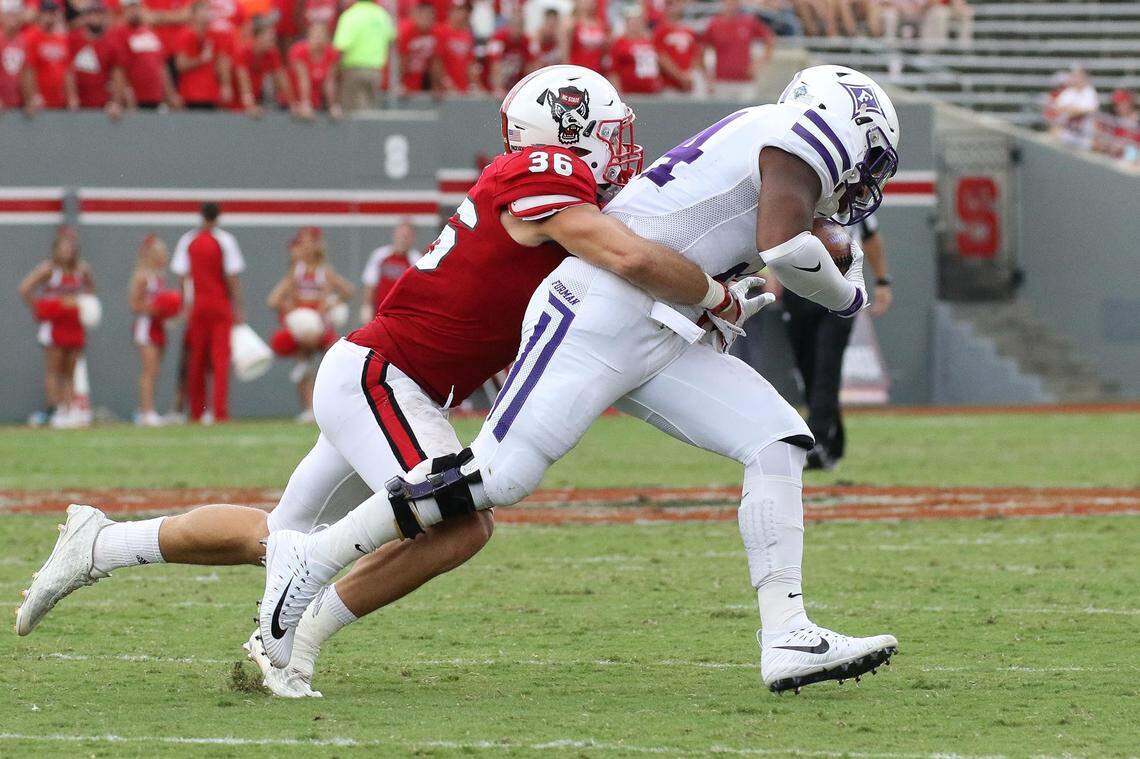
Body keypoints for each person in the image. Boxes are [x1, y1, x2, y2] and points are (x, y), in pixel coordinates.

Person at [17, 66, 751, 700]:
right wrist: (712, 297)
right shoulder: (544, 173)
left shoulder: (552, 189)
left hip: (383, 375)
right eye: (608, 129)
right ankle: (297, 640)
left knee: (279, 535)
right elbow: (626, 255)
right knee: (459, 522)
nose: (623, 146)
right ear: (565, 130)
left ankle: (100, 544)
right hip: (386, 377)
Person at [256, 65, 901, 695]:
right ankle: (313, 560)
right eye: (871, 154)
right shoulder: (792, 132)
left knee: (776, 436)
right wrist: (848, 297)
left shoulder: (772, 147)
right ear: (843, 121)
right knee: (501, 475)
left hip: (655, 323)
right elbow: (787, 252)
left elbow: (755, 236)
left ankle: (786, 631)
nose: (866, 174)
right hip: (599, 308)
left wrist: (771, 277)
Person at [776, 214, 892, 470]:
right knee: (808, 369)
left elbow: (871, 237)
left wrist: (883, 280)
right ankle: (833, 441)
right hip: (800, 288)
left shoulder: (856, 198)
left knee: (827, 367)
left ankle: (817, 442)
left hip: (842, 288)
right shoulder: (800, 192)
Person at [267, 227, 354, 422]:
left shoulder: (325, 272)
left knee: (333, 365)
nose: (305, 247)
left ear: (317, 245)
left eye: (309, 242)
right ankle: (308, 409)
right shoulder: (296, 271)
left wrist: (333, 301)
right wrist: (289, 308)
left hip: (321, 327)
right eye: (302, 242)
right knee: (303, 359)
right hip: (304, 329)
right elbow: (273, 299)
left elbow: (348, 291)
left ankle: (333, 407)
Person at [171, 202, 245, 423]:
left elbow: (182, 276)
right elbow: (231, 277)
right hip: (220, 304)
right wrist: (238, 307)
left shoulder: (188, 240)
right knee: (220, 359)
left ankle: (197, 411)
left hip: (198, 306)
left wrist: (185, 304)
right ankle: (219, 412)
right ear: (218, 217)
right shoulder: (225, 241)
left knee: (197, 360)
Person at [19, 227, 96, 429]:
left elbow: (91, 291)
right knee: (55, 369)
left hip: (74, 324)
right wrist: (42, 308)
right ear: (56, 249)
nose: (68, 250)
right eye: (64, 247)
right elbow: (25, 288)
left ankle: (69, 409)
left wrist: (85, 306)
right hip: (55, 325)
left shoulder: (82, 270)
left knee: (71, 369)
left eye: (71, 246)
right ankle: (55, 408)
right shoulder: (49, 269)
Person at [129, 235, 179, 427]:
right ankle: (146, 412)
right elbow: (134, 304)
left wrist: (170, 313)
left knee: (156, 371)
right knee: (148, 370)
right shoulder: (142, 276)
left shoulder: (160, 277)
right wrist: (156, 309)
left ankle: (148, 409)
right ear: (150, 255)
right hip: (145, 326)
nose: (163, 257)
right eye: (159, 253)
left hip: (158, 326)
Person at [108, 0, 181, 110]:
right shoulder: (119, 34)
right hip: (134, 100)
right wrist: (118, 100)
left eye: (136, 7)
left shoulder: (151, 33)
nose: (134, 11)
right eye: (130, 8)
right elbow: (119, 69)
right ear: (124, 10)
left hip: (156, 97)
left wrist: (171, 94)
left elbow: (162, 66)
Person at [702, 0, 774, 102]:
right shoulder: (714, 24)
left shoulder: (749, 22)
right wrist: (707, 77)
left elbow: (770, 39)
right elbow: (702, 51)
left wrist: (758, 63)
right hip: (722, 81)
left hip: (745, 81)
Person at [332, 0, 395, 111]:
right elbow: (391, 40)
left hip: (353, 70)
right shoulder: (382, 14)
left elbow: (341, 46)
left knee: (351, 112)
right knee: (371, 112)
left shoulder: (350, 15)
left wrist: (336, 71)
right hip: (376, 71)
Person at [173, 0, 231, 109]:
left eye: (209, 9)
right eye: (204, 9)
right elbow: (180, 65)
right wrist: (201, 59)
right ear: (194, 14)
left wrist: (225, 85)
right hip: (191, 94)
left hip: (211, 93)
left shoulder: (213, 35)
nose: (208, 13)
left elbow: (221, 60)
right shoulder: (185, 35)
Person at [20, 0, 74, 114]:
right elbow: (28, 70)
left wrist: (71, 97)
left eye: (53, 13)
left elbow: (67, 71)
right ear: (40, 14)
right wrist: (31, 97)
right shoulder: (31, 37)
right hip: (40, 101)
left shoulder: (63, 39)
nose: (50, 16)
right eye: (47, 13)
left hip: (59, 102)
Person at [67, 1, 120, 115]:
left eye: (99, 13)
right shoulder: (73, 40)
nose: (95, 17)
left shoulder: (111, 43)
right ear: (84, 17)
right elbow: (68, 72)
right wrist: (72, 97)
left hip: (102, 105)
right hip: (78, 106)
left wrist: (115, 102)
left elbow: (116, 74)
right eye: (91, 13)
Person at [360, 220, 420, 318]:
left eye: (407, 236)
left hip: (403, 315)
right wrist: (366, 305)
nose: (403, 239)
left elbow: (418, 291)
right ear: (395, 234)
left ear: (413, 238)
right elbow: (370, 282)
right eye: (401, 234)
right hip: (379, 313)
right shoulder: (380, 255)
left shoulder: (416, 260)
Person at [288, 20, 341, 117]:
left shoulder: (332, 53)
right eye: (316, 35)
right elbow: (303, 78)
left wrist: (332, 105)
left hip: (316, 101)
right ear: (309, 36)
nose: (319, 39)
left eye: (322, 36)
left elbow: (329, 81)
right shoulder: (299, 51)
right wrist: (305, 103)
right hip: (295, 100)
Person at [653, 0, 701, 95]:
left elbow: (696, 55)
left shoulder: (688, 30)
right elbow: (661, 57)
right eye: (671, 4)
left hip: (688, 84)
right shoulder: (661, 30)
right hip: (669, 85)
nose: (675, 7)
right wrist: (680, 76)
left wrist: (689, 73)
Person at [608, 9, 660, 95]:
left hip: (651, 91)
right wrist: (618, 93)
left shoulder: (650, 41)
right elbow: (613, 70)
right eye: (633, 23)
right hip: (629, 92)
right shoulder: (619, 43)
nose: (635, 26)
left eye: (638, 23)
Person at [396, 1, 440, 96]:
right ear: (417, 15)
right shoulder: (407, 32)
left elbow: (434, 63)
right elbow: (401, 61)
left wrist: (436, 85)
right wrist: (399, 84)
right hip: (405, 83)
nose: (429, 19)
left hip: (420, 82)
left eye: (432, 16)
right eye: (426, 16)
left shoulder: (434, 34)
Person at [485, 6, 530, 97]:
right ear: (509, 26)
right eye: (515, 26)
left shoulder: (525, 40)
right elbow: (495, 65)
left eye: (520, 26)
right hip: (493, 87)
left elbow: (531, 65)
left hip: (513, 86)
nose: (517, 30)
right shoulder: (498, 39)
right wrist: (498, 88)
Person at [436, 0, 476, 94]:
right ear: (450, 11)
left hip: (463, 89)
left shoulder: (467, 34)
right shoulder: (440, 31)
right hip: (445, 91)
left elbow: (470, 64)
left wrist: (474, 85)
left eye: (465, 10)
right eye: (458, 10)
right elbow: (437, 62)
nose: (463, 14)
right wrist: (446, 84)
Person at [564, 0, 608, 75]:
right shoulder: (572, 23)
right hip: (576, 69)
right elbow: (565, 47)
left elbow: (605, 49)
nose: (588, 4)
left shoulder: (599, 23)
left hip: (596, 70)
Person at [0, 0, 26, 113]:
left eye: (15, 14)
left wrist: (28, 99)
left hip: (17, 104)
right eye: (9, 14)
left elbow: (27, 72)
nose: (13, 18)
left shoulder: (24, 40)